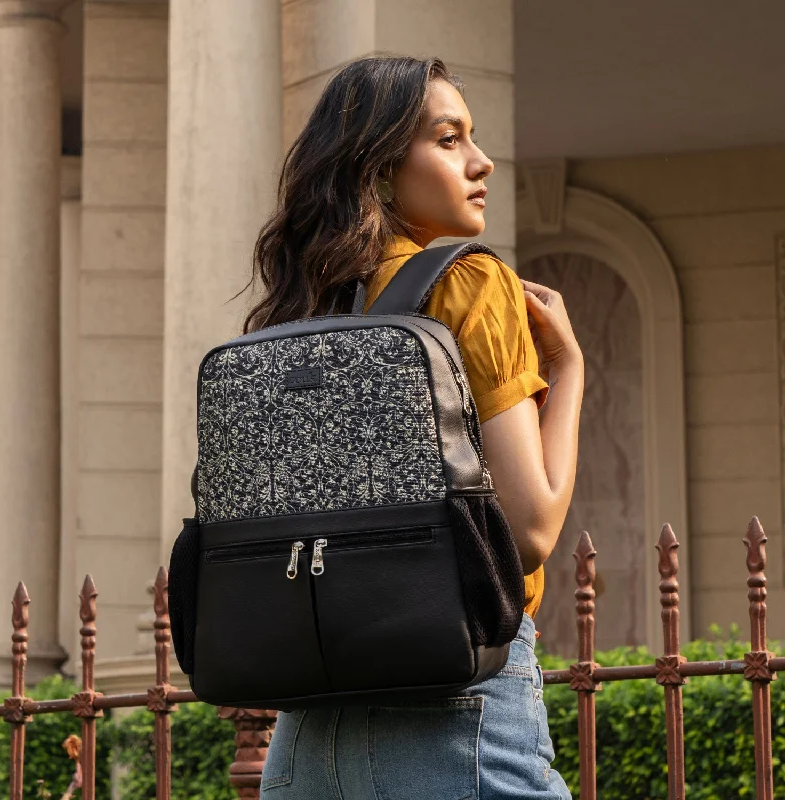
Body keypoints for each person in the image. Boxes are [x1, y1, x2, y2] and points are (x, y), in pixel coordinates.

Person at [246, 55, 582, 800]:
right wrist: (571, 370)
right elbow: (529, 530)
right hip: (455, 707)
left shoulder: (302, 314)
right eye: (449, 138)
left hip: (307, 734)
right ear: (378, 166)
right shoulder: (468, 281)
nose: (481, 159)